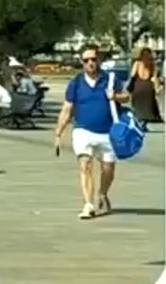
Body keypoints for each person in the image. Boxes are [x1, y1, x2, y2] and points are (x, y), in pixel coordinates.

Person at [52, 45, 129, 219]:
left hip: (107, 132)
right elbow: (67, 108)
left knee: (108, 169)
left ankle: (102, 194)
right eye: (86, 60)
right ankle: (88, 204)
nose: (90, 63)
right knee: (85, 165)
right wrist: (58, 133)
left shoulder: (110, 79)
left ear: (98, 60)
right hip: (83, 130)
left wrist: (115, 96)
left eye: (93, 59)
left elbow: (126, 96)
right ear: (81, 62)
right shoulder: (76, 83)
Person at [128, 47, 163, 132]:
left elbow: (133, 75)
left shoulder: (137, 63)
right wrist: (156, 88)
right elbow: (154, 77)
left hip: (138, 86)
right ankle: (143, 123)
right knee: (149, 107)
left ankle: (140, 123)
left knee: (137, 106)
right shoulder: (152, 64)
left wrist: (130, 88)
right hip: (148, 87)